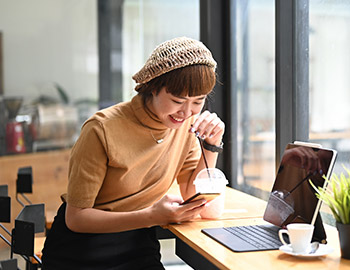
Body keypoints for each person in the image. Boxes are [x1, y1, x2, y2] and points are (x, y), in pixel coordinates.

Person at [41, 37, 225, 270]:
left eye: (198, 102)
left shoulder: (186, 127)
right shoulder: (101, 129)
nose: (186, 111)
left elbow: (193, 193)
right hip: (81, 250)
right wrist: (152, 216)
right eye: (178, 101)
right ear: (153, 88)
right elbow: (76, 218)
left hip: (138, 244)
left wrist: (211, 144)